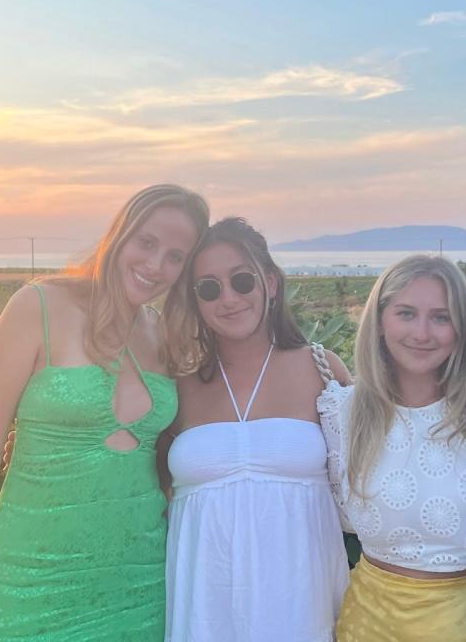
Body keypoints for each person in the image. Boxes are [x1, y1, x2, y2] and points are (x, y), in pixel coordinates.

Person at [0, 184, 209, 642]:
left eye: (175, 256)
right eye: (147, 243)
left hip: (139, 585)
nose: (156, 265)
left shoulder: (164, 335)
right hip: (31, 582)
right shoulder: (38, 307)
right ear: (120, 235)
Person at [160, 217, 350, 642]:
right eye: (209, 287)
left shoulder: (322, 369)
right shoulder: (176, 386)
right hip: (205, 612)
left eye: (241, 280)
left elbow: (378, 464)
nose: (228, 298)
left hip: (306, 606)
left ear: (270, 283)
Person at [316, 254, 466, 641]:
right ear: (379, 322)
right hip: (370, 627)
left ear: (463, 328)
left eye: (441, 317)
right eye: (406, 313)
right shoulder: (343, 412)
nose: (422, 333)